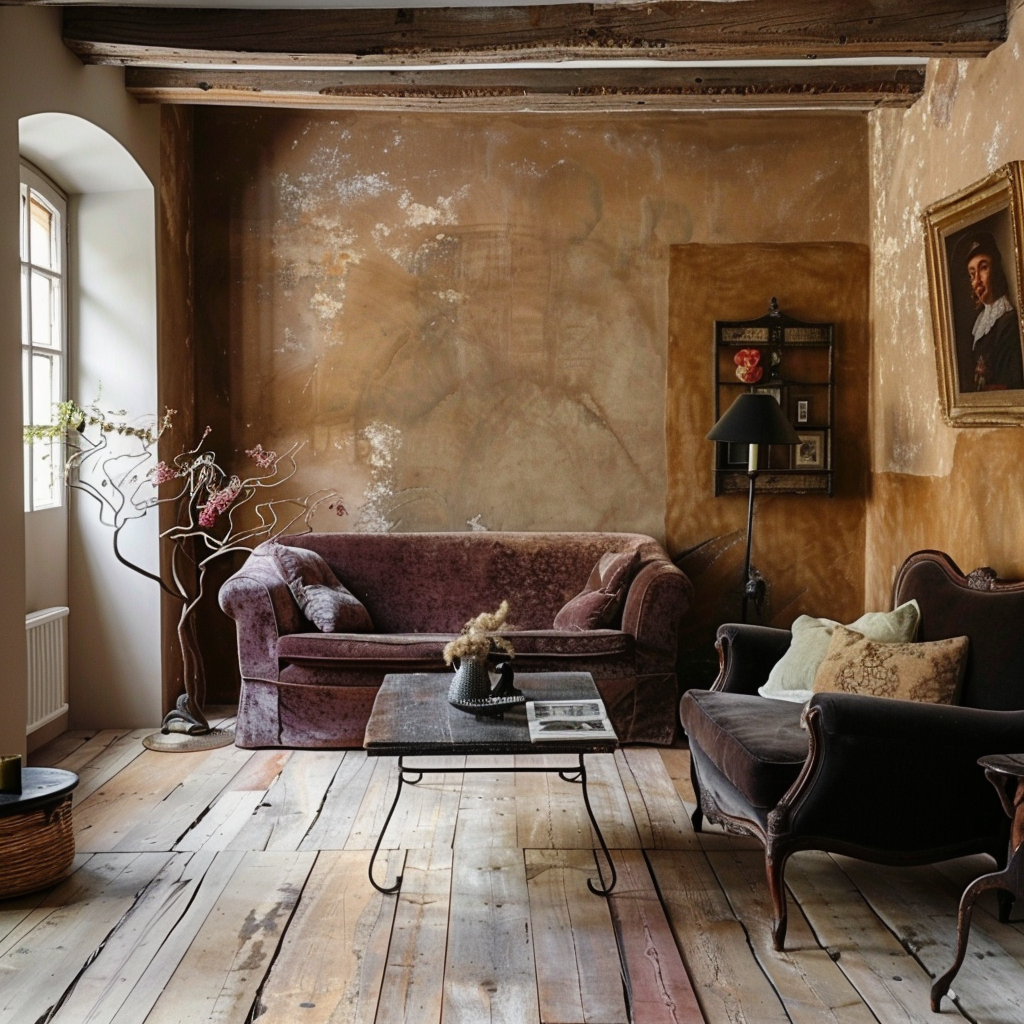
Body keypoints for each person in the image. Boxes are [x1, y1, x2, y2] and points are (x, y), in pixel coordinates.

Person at [958, 232, 1024, 391]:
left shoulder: (1007, 322)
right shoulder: (979, 323)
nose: (977, 282)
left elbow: (1012, 386)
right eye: (972, 275)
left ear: (996, 270)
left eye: (983, 268)